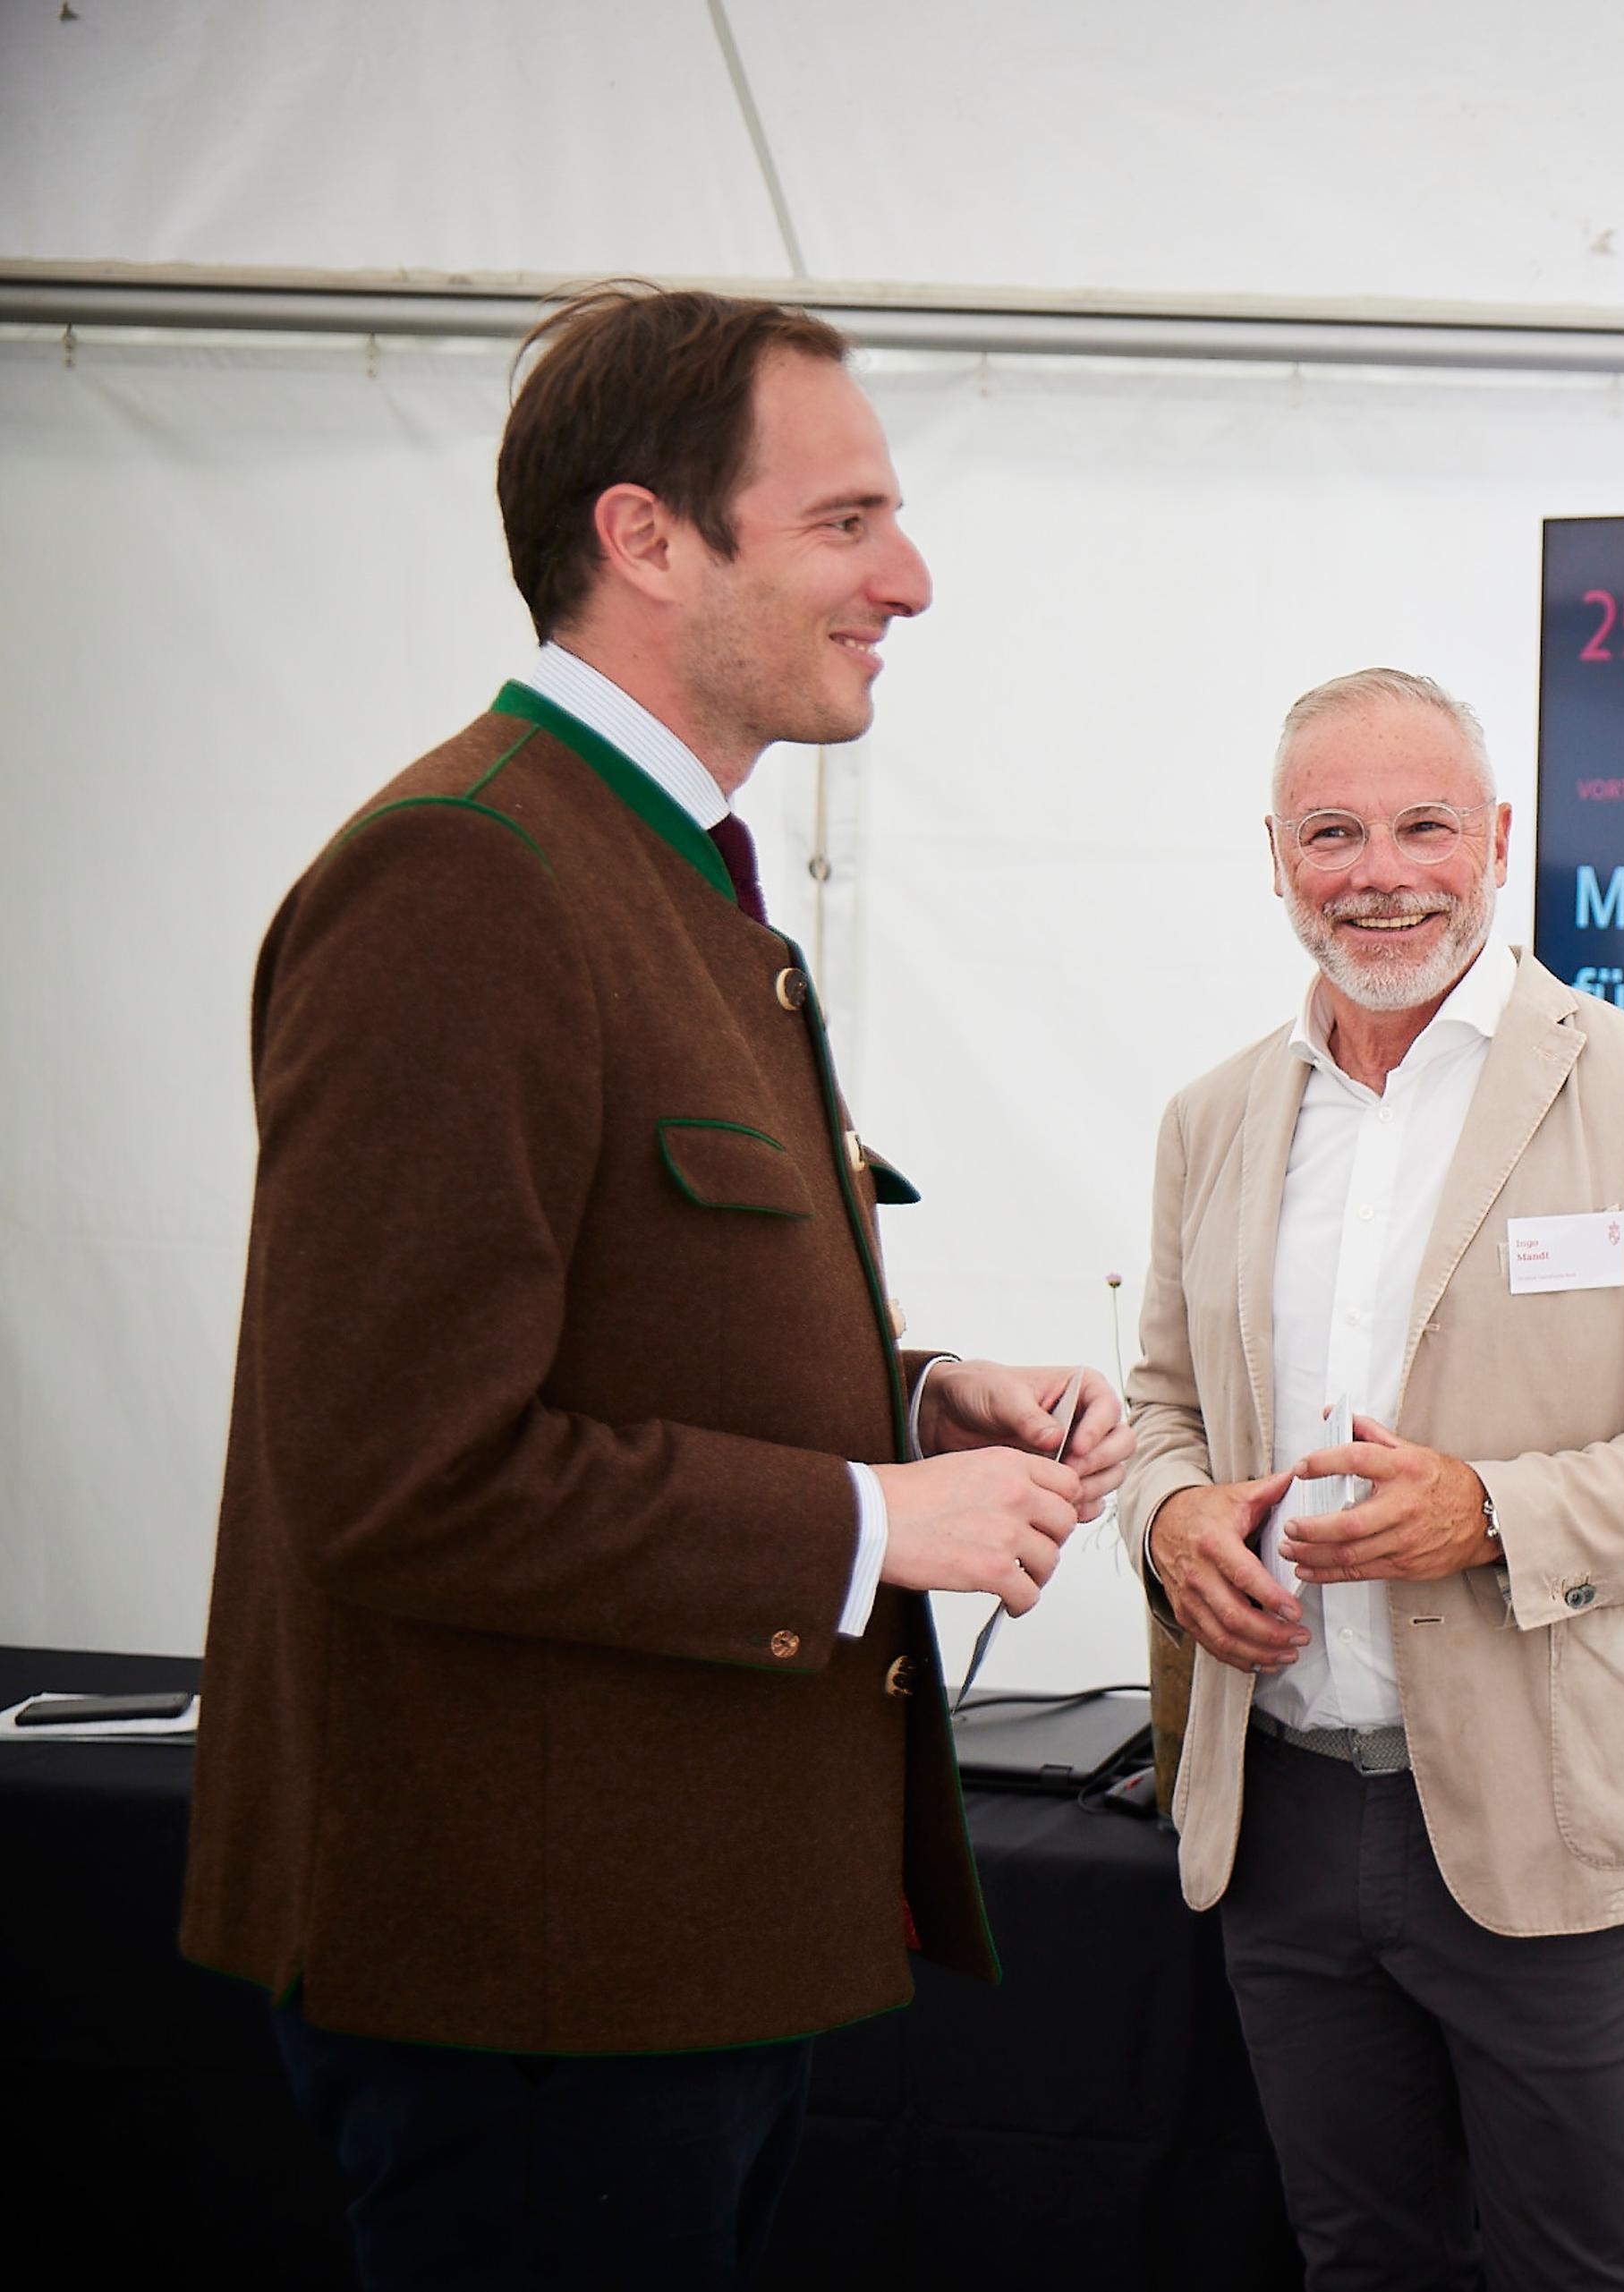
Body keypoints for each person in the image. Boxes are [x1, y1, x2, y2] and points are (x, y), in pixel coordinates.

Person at [180, 283, 1138, 2289]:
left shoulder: (653, 865)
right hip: (535, 1971)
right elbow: (402, 1472)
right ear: (644, 537)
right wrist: (875, 1519)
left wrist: (916, 1395)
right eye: (847, 521)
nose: (911, 578)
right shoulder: (465, 876)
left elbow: (638, 1315)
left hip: (662, 1946)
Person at [1125, 666, 1624, 2290]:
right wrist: (1169, 1518)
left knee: (1573, 2267)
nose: (1380, 873)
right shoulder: (1210, 1120)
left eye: (1424, 826)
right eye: (1332, 832)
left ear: (1499, 840)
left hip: (1547, 1817)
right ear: (1276, 856)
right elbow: (1163, 1404)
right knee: (1361, 2259)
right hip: (1281, 1806)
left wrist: (1493, 1513)